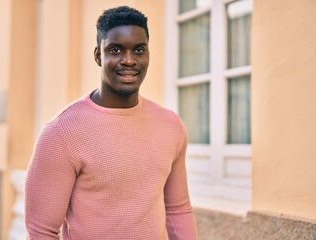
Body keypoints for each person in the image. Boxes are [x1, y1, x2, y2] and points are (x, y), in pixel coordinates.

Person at [25, 6, 198, 240]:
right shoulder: (62, 132)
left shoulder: (170, 125)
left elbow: (178, 210)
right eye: (115, 50)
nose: (129, 60)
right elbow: (41, 231)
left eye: (139, 50)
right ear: (98, 55)